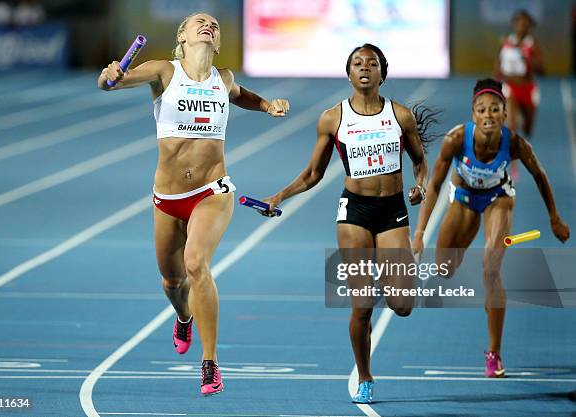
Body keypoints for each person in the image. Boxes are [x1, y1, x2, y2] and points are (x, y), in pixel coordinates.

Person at [97, 12, 289, 396]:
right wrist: (110, 76)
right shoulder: (163, 72)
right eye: (199, 22)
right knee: (172, 282)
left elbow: (241, 96)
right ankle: (183, 316)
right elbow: (110, 83)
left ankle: (210, 363)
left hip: (212, 191)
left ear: (217, 43)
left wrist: (268, 105)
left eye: (214, 25)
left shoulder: (225, 79)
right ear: (182, 37)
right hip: (167, 198)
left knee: (196, 264)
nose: (209, 25)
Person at [263, 43, 439, 404]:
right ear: (348, 74)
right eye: (357, 63)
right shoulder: (333, 118)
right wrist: (279, 196)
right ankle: (365, 375)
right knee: (362, 304)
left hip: (392, 211)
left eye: (371, 63)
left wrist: (420, 186)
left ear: (381, 73)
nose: (364, 68)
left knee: (402, 305)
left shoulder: (400, 116)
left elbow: (421, 163)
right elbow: (313, 173)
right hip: (354, 212)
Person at [412, 78, 570, 378]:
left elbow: (540, 175)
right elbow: (433, 185)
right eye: (482, 110)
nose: (488, 115)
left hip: (499, 199)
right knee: (445, 269)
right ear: (473, 114)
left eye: (494, 109)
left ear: (504, 113)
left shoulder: (514, 143)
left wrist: (554, 218)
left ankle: (494, 354)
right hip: (463, 198)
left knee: (490, 270)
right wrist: (420, 233)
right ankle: (476, 264)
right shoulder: (456, 139)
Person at [495, 9, 544, 179]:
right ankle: (512, 164)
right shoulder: (506, 42)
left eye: (525, 24)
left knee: (528, 129)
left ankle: (523, 118)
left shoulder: (532, 44)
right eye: (518, 23)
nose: (521, 27)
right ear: (514, 25)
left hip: (528, 89)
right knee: (511, 125)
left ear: (529, 26)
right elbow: (498, 68)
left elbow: (542, 70)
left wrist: (526, 57)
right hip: (510, 88)